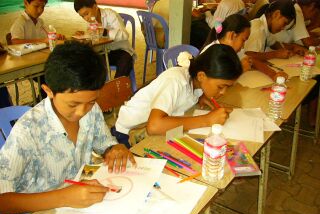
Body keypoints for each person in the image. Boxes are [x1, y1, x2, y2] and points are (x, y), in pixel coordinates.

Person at [0, 41, 135, 214]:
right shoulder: (28, 130)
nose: (82, 111)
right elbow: (3, 202)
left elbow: (104, 143)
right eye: (73, 104)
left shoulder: (91, 110)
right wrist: (64, 197)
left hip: (82, 210)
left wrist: (114, 149)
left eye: (91, 102)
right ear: (48, 91)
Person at [113, 44, 243, 147]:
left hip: (149, 130)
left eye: (228, 87)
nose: (223, 92)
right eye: (221, 87)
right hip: (128, 134)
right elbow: (154, 126)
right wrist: (207, 120)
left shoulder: (197, 82)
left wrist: (201, 96)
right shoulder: (175, 80)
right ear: (201, 76)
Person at [10, 0, 64, 100]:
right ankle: (42, 102)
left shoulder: (40, 21)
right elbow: (15, 42)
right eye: (36, 6)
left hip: (41, 61)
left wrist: (55, 36)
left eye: (42, 7)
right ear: (26, 3)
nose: (40, 10)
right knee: (52, 79)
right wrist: (42, 40)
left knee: (60, 72)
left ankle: (44, 101)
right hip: (28, 65)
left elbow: (46, 38)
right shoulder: (20, 22)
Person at [244, 0, 304, 80]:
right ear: (276, 14)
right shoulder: (258, 28)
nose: (283, 28)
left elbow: (274, 43)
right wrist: (275, 54)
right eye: (284, 23)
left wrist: (291, 48)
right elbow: (250, 56)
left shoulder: (266, 28)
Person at [74, 0, 135, 78]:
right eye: (82, 16)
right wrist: (84, 37)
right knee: (86, 61)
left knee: (126, 61)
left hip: (119, 50)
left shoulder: (110, 14)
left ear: (95, 7)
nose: (86, 18)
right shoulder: (91, 21)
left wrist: (105, 32)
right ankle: (95, 88)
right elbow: (95, 41)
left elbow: (124, 34)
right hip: (103, 52)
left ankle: (116, 88)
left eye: (86, 13)